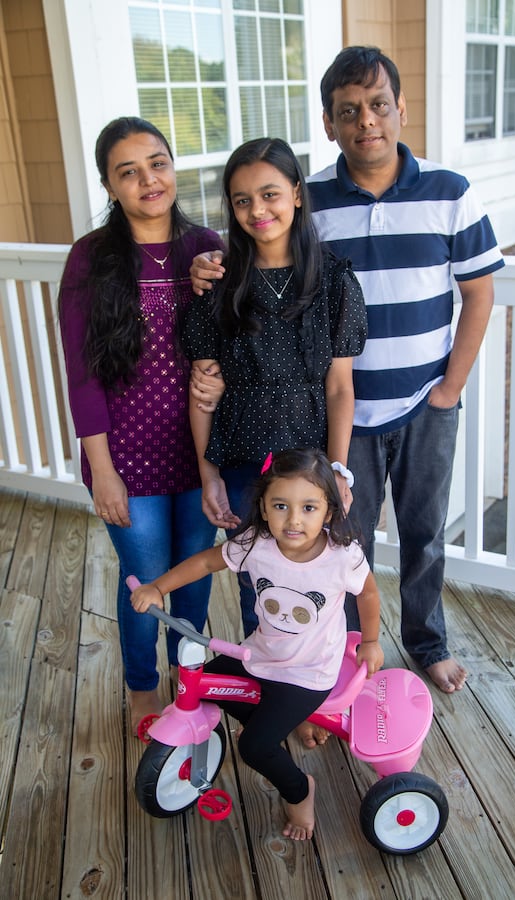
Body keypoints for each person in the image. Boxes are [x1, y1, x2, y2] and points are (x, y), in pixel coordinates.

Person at [190, 47, 505, 712]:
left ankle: (427, 641)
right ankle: (329, 662)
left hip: (424, 403)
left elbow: (478, 293)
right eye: (348, 112)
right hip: (339, 417)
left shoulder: (450, 192)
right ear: (330, 124)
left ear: (400, 109)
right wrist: (211, 266)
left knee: (423, 530)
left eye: (378, 105)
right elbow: (261, 251)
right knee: (338, 546)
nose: (367, 121)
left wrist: (448, 389)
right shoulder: (314, 205)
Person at [59, 116, 226, 733]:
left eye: (157, 162)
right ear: (110, 184)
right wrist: (102, 472)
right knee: (146, 581)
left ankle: (191, 678)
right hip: (125, 459)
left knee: (195, 577)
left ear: (173, 167)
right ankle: (140, 683)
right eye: (128, 171)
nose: (148, 180)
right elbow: (83, 376)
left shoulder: (206, 247)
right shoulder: (90, 260)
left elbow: (237, 341)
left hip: (201, 452)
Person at [130, 447, 384, 841]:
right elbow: (204, 563)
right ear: (263, 508)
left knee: (252, 748)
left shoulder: (340, 556)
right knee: (203, 686)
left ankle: (300, 791)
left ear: (329, 512)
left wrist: (370, 641)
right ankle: (271, 727)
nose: (294, 519)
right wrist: (158, 587)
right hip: (260, 656)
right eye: (281, 505)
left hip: (307, 674)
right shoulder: (256, 543)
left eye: (309, 508)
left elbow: (367, 594)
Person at [182, 137, 368, 637]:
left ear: (297, 194)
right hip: (246, 461)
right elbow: (202, 394)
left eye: (269, 195)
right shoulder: (218, 284)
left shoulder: (333, 280)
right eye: (242, 200)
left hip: (311, 465)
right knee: (259, 588)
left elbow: (339, 388)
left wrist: (338, 470)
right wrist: (209, 474)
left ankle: (324, 688)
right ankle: (267, 688)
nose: (256, 210)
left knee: (324, 581)